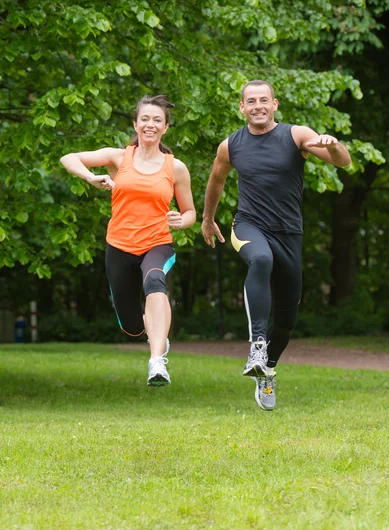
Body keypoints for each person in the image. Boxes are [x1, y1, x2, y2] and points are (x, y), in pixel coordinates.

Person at [201, 80, 351, 411]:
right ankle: (256, 344)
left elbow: (343, 162)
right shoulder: (231, 145)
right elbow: (217, 179)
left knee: (286, 321)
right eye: (250, 101)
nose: (257, 105)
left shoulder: (295, 135)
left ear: (275, 104)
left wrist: (334, 144)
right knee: (261, 260)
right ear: (241, 107)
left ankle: (267, 368)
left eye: (263, 100)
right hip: (249, 225)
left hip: (289, 233)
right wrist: (208, 219)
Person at [61, 94, 196, 386]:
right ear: (135, 125)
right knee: (133, 327)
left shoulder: (177, 168)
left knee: (155, 281)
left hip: (157, 242)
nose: (150, 124)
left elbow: (190, 213)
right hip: (119, 246)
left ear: (165, 128)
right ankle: (153, 335)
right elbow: (68, 158)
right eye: (144, 119)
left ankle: (157, 361)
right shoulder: (118, 157)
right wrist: (90, 178)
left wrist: (180, 220)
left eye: (157, 120)